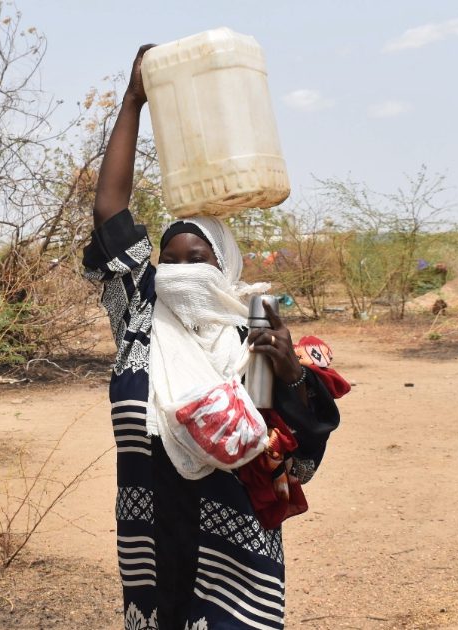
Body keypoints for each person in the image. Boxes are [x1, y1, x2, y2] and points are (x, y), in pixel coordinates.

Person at [83, 47, 344, 629]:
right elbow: (109, 212)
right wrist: (133, 99)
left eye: (196, 258)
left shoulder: (253, 321)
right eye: (168, 260)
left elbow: (292, 451)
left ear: (223, 263)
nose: (181, 271)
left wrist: (291, 374)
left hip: (234, 544)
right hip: (152, 540)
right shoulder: (140, 318)